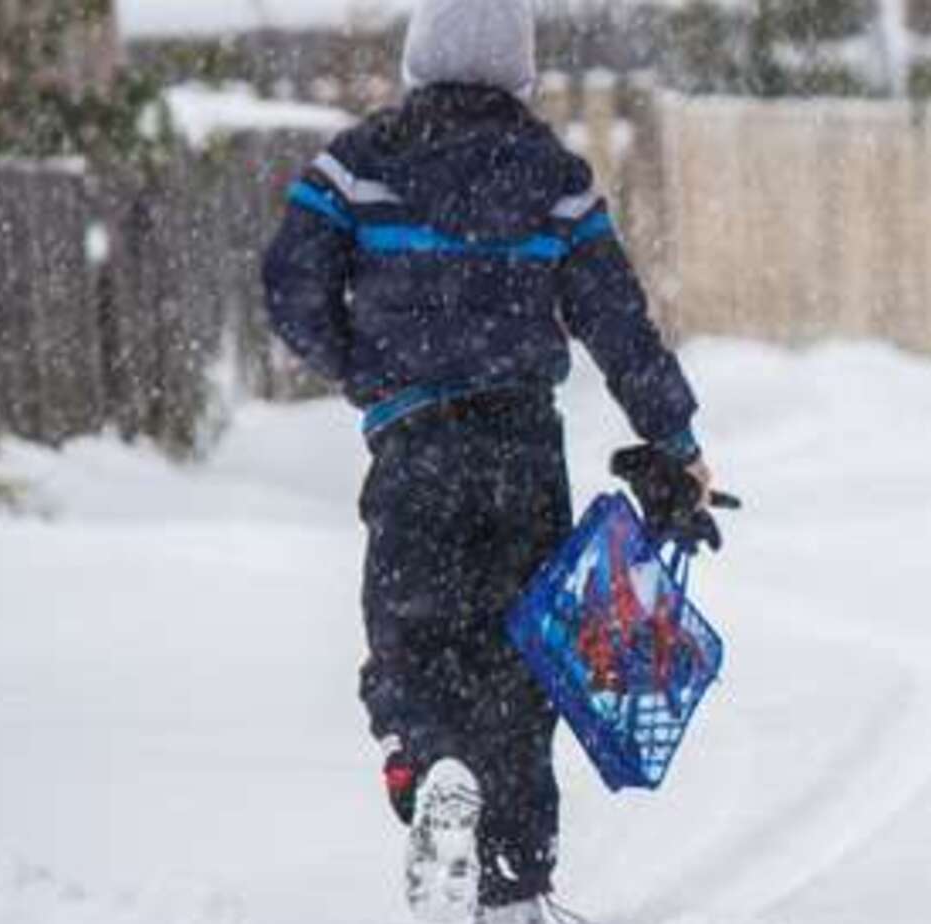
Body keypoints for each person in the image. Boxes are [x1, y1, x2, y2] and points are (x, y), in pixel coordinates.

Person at [260, 1, 719, 921]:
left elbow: (290, 286)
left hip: (414, 448)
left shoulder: (359, 163)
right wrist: (676, 444)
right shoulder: (552, 176)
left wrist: (367, 369)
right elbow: (617, 322)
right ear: (521, 67)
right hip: (519, 450)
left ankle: (430, 769)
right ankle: (515, 888)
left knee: (413, 639)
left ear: (419, 56)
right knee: (520, 662)